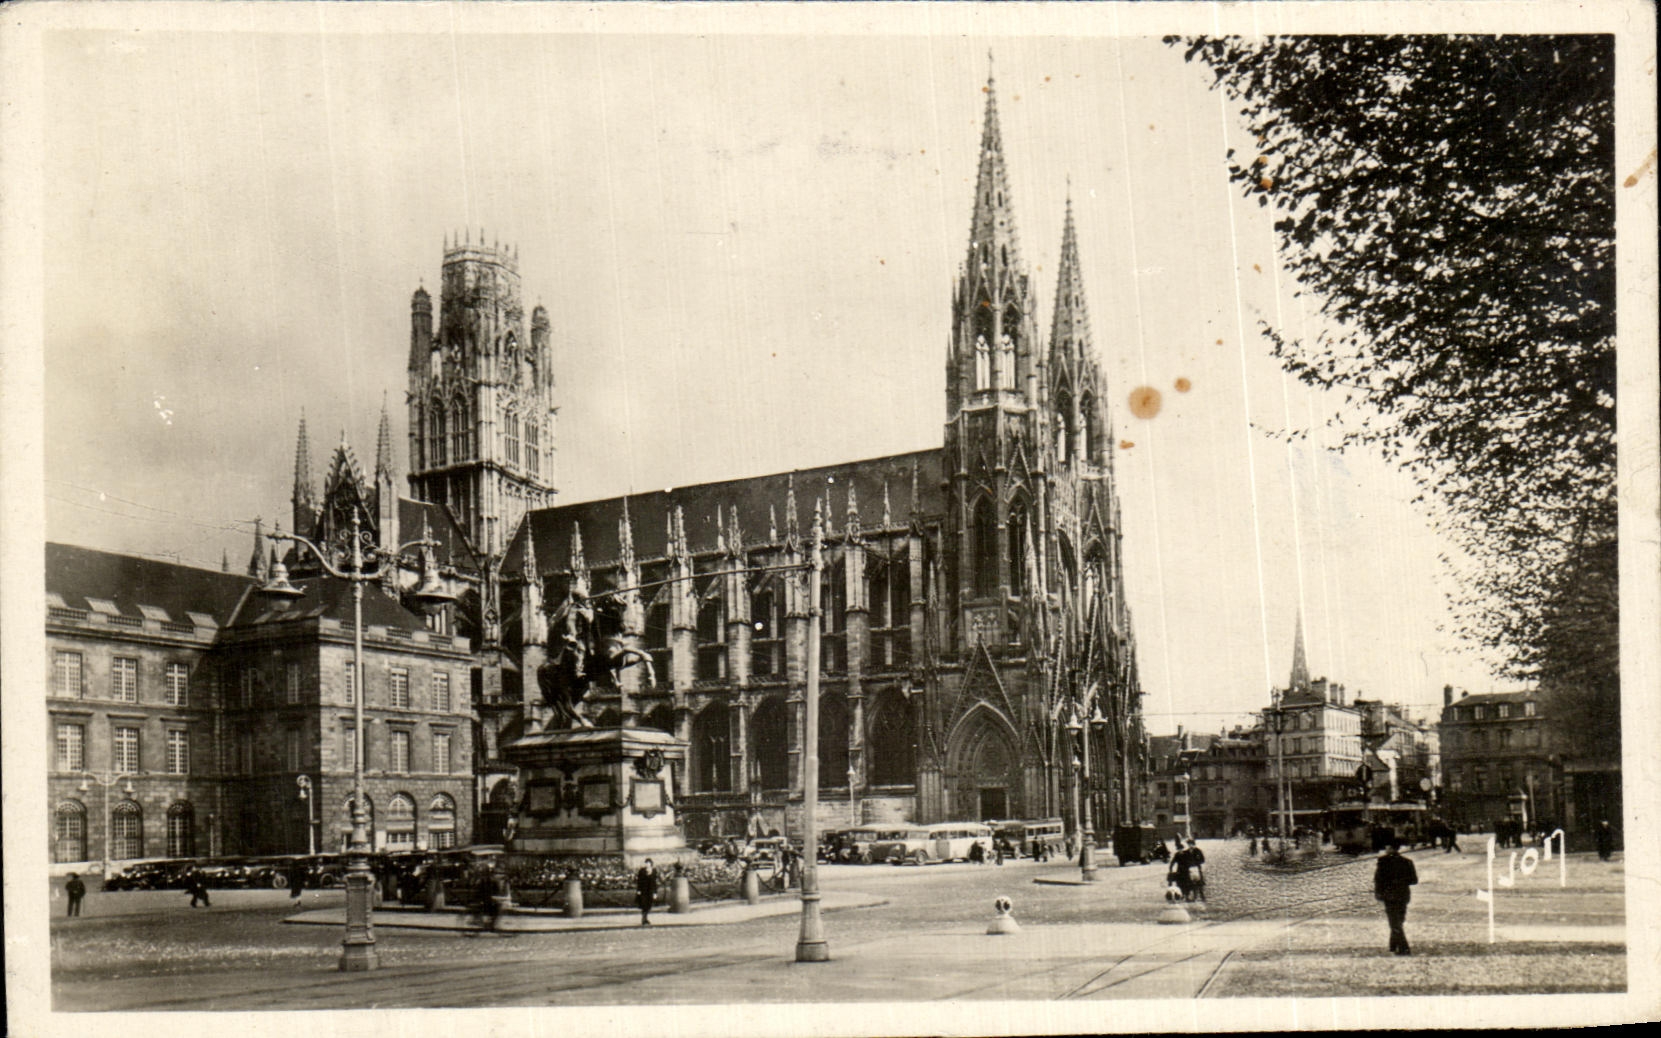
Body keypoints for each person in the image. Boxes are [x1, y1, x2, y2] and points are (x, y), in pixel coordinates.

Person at [1373, 839, 1418, 955]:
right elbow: (1414, 880)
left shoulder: (1383, 861)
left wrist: (1378, 892)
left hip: (1389, 895)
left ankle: (1403, 947)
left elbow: (1378, 880)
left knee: (1395, 922)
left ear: (1393, 849)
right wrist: (1401, 881)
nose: (1386, 850)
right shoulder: (1407, 862)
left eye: (1387, 848)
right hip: (1403, 895)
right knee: (1398, 921)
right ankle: (1394, 945)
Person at [636, 858, 658, 926]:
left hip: (650, 890)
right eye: (646, 863)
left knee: (649, 904)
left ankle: (646, 918)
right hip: (643, 890)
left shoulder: (654, 871)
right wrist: (638, 890)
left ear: (651, 864)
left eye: (648, 863)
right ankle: (644, 919)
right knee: (644, 904)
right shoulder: (642, 871)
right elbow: (639, 881)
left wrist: (655, 892)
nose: (647, 864)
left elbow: (654, 882)